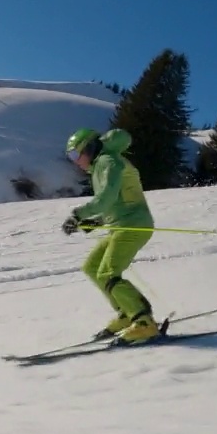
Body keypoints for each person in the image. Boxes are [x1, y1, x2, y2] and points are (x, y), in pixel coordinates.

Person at [61, 127, 160, 345]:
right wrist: (96, 221)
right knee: (92, 266)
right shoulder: (101, 164)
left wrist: (78, 215)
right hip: (121, 224)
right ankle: (126, 313)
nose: (75, 161)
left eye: (76, 155)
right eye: (71, 158)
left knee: (107, 272)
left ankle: (144, 322)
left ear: (88, 147)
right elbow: (116, 201)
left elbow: (107, 196)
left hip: (133, 225)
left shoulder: (109, 162)